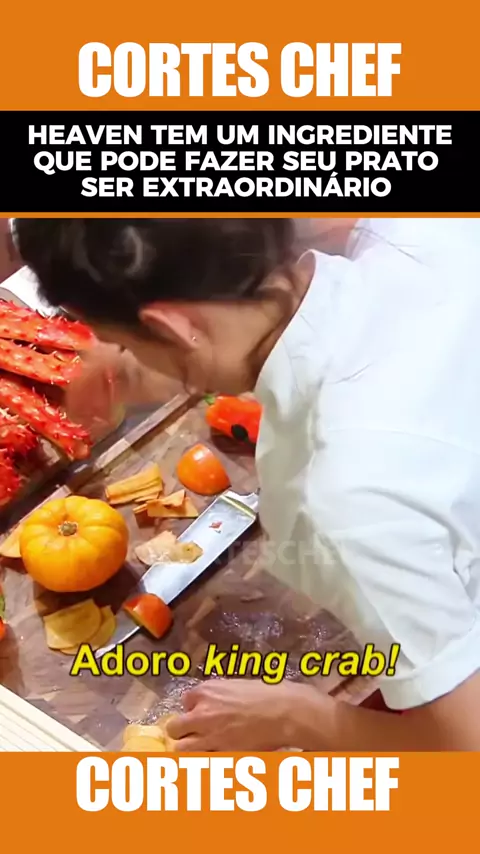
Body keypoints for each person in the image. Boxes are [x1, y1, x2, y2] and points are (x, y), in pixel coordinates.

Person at [14, 216, 480, 752]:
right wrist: (155, 356)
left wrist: (302, 718)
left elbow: (465, 750)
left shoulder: (349, 504)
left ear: (173, 326)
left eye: (124, 341)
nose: (121, 355)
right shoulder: (421, 232)